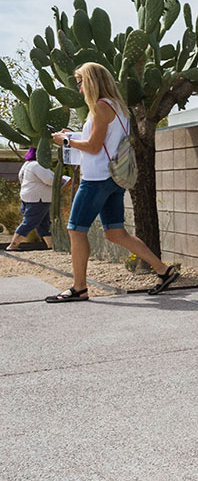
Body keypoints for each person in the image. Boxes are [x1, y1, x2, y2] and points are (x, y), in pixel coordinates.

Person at [46, 62, 180, 302]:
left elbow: (94, 146)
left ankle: (79, 287)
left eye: (80, 83)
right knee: (116, 233)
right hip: (114, 178)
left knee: (75, 230)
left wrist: (66, 142)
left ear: (91, 81)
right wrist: (72, 136)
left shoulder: (99, 107)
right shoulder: (118, 107)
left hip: (96, 179)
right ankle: (164, 270)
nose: (79, 90)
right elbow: (102, 141)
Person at [7, 146, 69, 251]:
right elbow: (50, 180)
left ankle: (51, 246)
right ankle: (13, 245)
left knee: (43, 224)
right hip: (38, 199)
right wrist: (63, 180)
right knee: (29, 222)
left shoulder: (27, 164)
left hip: (31, 197)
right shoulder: (38, 165)